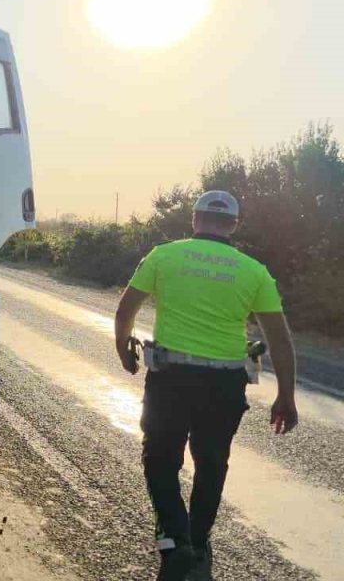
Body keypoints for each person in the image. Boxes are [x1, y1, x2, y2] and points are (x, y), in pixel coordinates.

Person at [113, 190, 298, 581]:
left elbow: (127, 306)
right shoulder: (254, 271)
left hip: (171, 378)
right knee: (212, 463)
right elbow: (279, 339)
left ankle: (175, 537)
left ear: (194, 219)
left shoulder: (164, 256)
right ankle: (196, 540)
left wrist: (123, 348)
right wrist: (286, 395)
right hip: (225, 384)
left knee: (161, 458)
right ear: (233, 225)